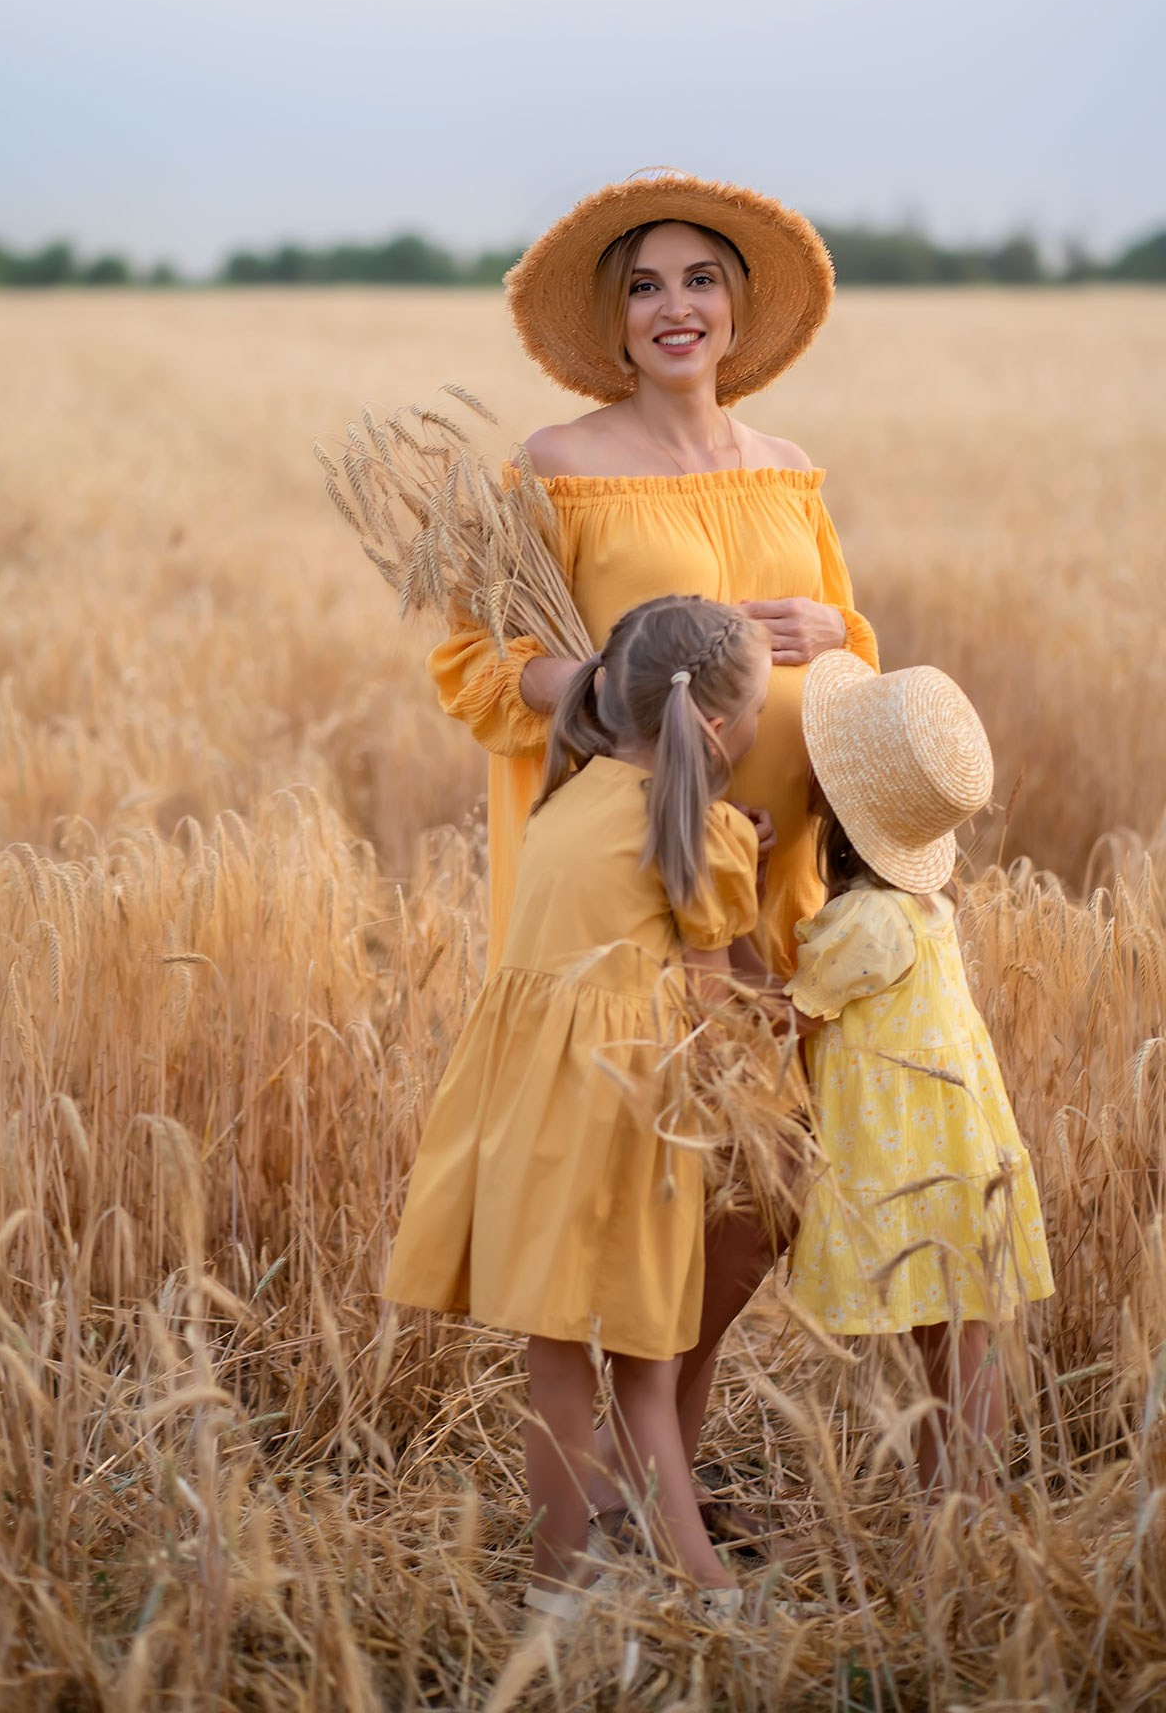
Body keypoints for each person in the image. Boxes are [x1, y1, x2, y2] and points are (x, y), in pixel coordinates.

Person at [427, 170, 880, 1531]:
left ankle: (659, 1464)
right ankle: (641, 1505)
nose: (673, 307)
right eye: (643, 287)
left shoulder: (786, 468)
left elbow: (858, 670)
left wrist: (833, 632)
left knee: (758, 1192)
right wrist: (609, 684)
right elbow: (474, 662)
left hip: (775, 883)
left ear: (734, 310)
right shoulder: (559, 467)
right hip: (640, 891)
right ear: (615, 323)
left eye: (698, 281)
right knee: (645, 1187)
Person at [385, 595, 772, 1614]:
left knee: (555, 1358)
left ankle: (558, 1589)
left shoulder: (560, 803)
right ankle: (705, 1592)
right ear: (718, 731)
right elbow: (712, 1013)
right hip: (631, 1118)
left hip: (530, 1114)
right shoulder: (702, 833)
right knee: (646, 1364)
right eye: (760, 712)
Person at [785, 652, 1055, 1495]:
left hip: (910, 1164)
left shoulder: (865, 922)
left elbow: (785, 1017)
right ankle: (965, 1513)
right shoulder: (926, 907)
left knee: (951, 1344)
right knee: (963, 1340)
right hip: (960, 1151)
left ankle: (958, 1513)